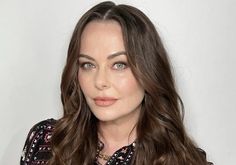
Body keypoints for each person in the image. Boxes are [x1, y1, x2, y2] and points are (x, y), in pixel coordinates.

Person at [20, 1, 213, 165]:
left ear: (149, 71)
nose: (100, 82)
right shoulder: (45, 142)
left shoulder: (184, 161)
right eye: (88, 64)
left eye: (119, 65)